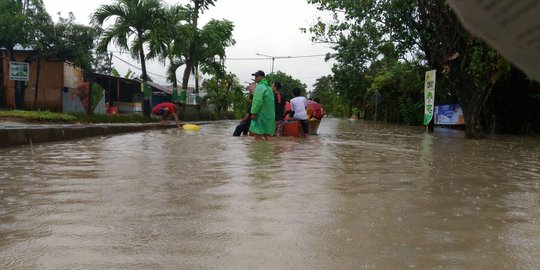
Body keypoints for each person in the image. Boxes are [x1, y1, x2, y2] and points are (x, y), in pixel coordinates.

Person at [249, 70, 275, 140]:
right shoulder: (269, 89)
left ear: (261, 77)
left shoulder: (259, 87)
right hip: (269, 117)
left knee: (257, 137)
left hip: (260, 116)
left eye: (257, 76)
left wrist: (254, 113)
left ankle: (259, 151)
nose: (255, 78)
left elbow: (257, 101)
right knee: (267, 137)